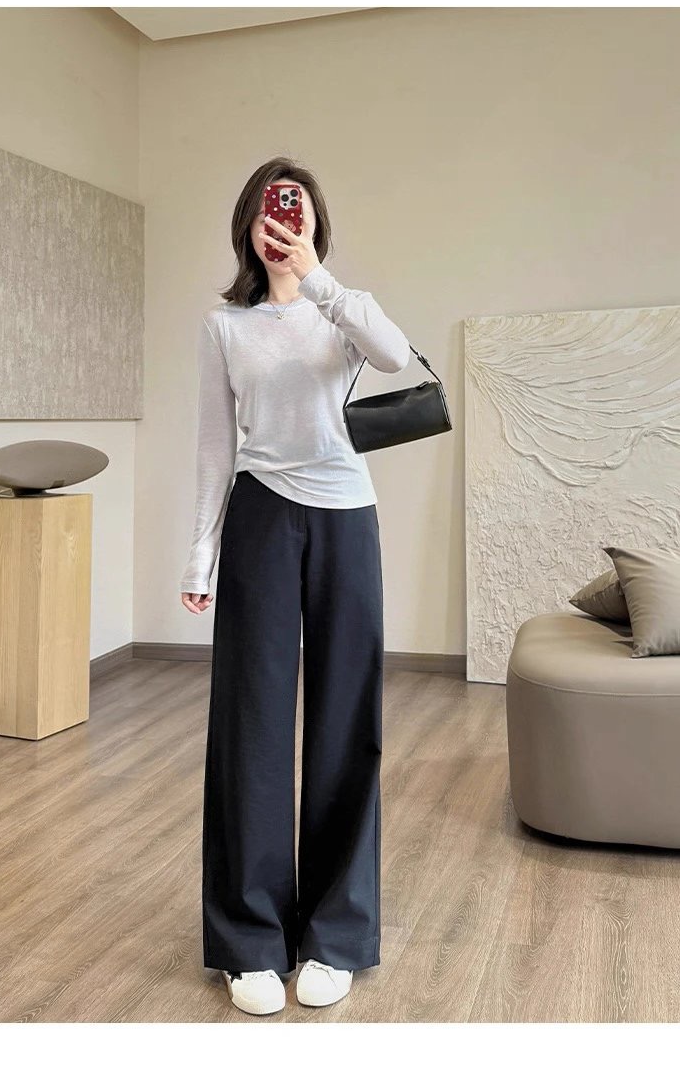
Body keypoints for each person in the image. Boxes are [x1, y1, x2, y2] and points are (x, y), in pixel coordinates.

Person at [180, 158, 411, 1016]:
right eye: (270, 214)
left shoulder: (342, 310)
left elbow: (394, 356)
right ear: (249, 226)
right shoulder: (225, 327)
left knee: (348, 721)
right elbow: (214, 446)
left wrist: (320, 281)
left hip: (348, 520)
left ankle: (336, 934)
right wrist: (199, 555)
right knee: (251, 723)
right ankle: (249, 939)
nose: (283, 225)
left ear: (314, 224)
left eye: (297, 213)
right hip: (262, 519)